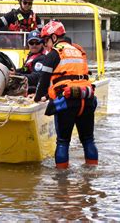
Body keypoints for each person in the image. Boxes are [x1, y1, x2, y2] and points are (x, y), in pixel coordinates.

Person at [34, 20, 98, 169]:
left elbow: (43, 80)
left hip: (67, 100)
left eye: (45, 40)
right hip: (87, 98)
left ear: (54, 37)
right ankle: (92, 171)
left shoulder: (54, 53)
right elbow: (75, 75)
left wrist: (37, 98)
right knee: (88, 139)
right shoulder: (79, 51)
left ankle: (61, 179)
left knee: (63, 141)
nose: (44, 44)